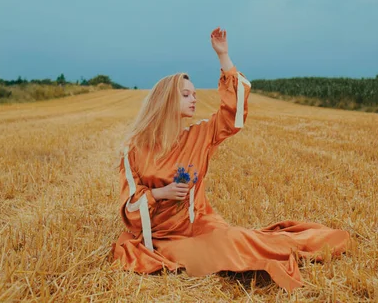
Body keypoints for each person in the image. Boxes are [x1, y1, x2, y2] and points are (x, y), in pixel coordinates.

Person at [111, 27, 349, 291]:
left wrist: (223, 56)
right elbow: (130, 208)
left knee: (232, 239)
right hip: (162, 236)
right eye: (186, 94)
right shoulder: (134, 150)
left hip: (200, 224)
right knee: (203, 257)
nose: (194, 99)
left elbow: (231, 115)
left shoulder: (198, 135)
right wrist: (161, 192)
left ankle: (299, 245)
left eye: (194, 93)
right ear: (166, 100)